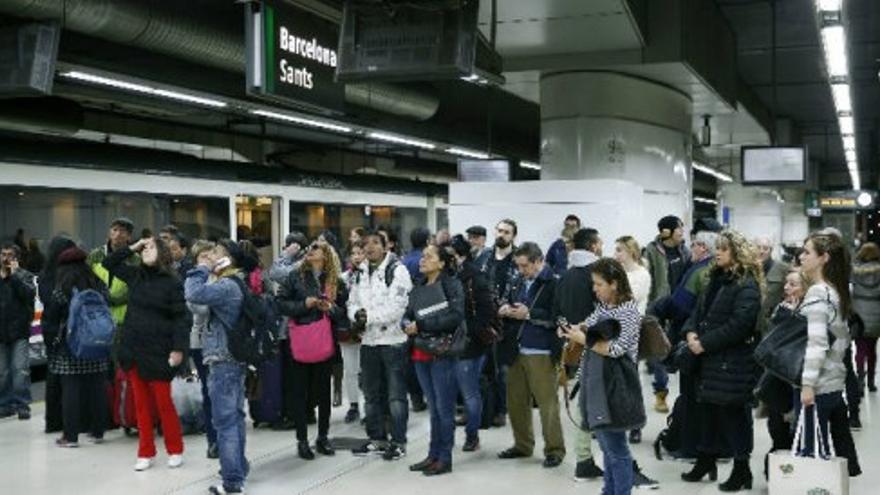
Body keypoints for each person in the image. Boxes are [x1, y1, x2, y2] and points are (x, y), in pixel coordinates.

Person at [681, 229, 762, 492]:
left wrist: (702, 343)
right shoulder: (715, 278)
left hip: (731, 361)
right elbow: (698, 311)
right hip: (709, 359)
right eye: (717, 248)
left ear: (737, 254)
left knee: (732, 415)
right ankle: (706, 460)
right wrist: (691, 332)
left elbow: (740, 325)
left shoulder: (746, 284)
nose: (717, 253)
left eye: (723, 249)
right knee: (708, 412)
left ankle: (742, 470)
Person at [560, 258, 645, 495]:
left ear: (614, 283)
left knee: (616, 449)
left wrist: (582, 339)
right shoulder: (604, 307)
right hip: (596, 383)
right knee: (608, 447)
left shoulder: (629, 311)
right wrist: (572, 330)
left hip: (615, 387)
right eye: (594, 284)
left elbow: (617, 350)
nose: (594, 289)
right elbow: (587, 325)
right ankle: (609, 491)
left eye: (599, 284)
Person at [103, 237, 189, 471]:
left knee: (163, 403)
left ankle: (175, 448)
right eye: (144, 248)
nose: (146, 251)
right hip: (133, 349)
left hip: (159, 350)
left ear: (162, 253)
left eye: (151, 247)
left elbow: (181, 318)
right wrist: (132, 246)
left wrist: (179, 348)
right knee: (140, 405)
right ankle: (145, 451)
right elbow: (108, 262)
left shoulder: (172, 282)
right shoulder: (135, 276)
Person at [185, 240, 249, 495]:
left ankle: (232, 481)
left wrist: (200, 268)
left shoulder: (226, 286)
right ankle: (238, 468)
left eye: (216, 253)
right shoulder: (232, 283)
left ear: (228, 259)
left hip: (223, 360)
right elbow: (197, 307)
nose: (211, 256)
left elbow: (193, 293)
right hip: (232, 358)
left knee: (225, 422)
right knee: (235, 418)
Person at [795, 231, 861, 476]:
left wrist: (807, 384)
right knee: (827, 449)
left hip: (819, 384)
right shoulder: (836, 291)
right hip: (834, 381)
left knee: (811, 455)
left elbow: (817, 343)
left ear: (823, 258)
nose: (801, 257)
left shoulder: (818, 293)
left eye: (807, 252)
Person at [277, 241, 348, 460]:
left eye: (315, 248)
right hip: (301, 340)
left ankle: (323, 437)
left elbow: (344, 312)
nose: (310, 251)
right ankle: (302, 440)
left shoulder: (335, 281)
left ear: (325, 255)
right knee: (300, 392)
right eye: (309, 248)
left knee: (323, 392)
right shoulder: (295, 276)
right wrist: (304, 305)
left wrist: (331, 309)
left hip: (326, 341)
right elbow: (280, 303)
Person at [497, 242, 565, 469]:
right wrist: (505, 308)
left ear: (538, 261)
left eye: (525, 266)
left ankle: (554, 450)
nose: (521, 270)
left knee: (548, 405)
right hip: (515, 349)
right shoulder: (518, 280)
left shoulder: (554, 283)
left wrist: (529, 314)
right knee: (515, 402)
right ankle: (522, 445)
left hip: (542, 351)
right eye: (518, 266)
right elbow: (505, 299)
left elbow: (558, 317)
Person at [347, 229, 414, 460]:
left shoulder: (398, 271)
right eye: (366, 244)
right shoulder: (360, 272)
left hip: (393, 342)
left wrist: (369, 318)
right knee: (371, 395)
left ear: (387, 247)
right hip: (368, 342)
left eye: (376, 243)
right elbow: (352, 301)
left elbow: (398, 308)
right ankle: (376, 438)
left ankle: (398, 442)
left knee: (395, 396)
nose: (370, 247)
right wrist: (356, 315)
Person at [404, 244, 466, 477]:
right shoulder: (419, 284)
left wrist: (422, 325)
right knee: (433, 409)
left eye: (429, 257)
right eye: (423, 256)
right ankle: (433, 455)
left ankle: (445, 458)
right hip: (421, 351)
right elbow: (409, 313)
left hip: (442, 352)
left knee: (444, 408)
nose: (423, 260)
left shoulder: (452, 284)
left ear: (441, 263)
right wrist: (405, 323)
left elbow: (455, 317)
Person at [41, 245, 110, 448]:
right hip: (96, 342)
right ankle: (98, 431)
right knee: (97, 387)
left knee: (70, 389)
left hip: (71, 344)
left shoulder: (62, 287)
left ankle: (70, 437)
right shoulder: (96, 282)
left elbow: (53, 314)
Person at [553, 228, 602, 481]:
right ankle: (589, 460)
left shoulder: (566, 276)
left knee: (587, 403)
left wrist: (568, 331)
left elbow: (557, 312)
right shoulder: (599, 276)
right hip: (597, 349)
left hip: (572, 346)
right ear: (594, 246)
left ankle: (585, 458)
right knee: (599, 406)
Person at [448, 235, 494, 453]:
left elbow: (486, 311)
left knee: (470, 392)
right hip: (454, 342)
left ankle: (472, 435)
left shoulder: (474, 277)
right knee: (464, 392)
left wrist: (468, 331)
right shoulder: (451, 275)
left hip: (470, 344)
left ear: (460, 255)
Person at [759, 268, 805, 479]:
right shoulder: (781, 309)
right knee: (776, 427)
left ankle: (790, 475)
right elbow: (771, 342)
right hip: (777, 379)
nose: (787, 288)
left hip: (798, 380)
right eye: (786, 283)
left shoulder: (809, 311)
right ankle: (778, 473)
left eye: (793, 284)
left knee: (797, 432)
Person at [644, 215, 690, 416]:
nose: (681, 233)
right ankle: (661, 394)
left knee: (678, 352)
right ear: (667, 232)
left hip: (680, 310)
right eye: (678, 229)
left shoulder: (685, 251)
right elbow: (648, 281)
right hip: (659, 310)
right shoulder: (652, 252)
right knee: (658, 353)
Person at [613, 235, 652, 443]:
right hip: (613, 330)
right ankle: (615, 422)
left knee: (630, 380)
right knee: (614, 380)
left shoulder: (641, 274)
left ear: (631, 252)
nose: (616, 254)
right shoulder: (617, 274)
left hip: (630, 331)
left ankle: (636, 424)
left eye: (619, 250)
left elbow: (628, 298)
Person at [39, 236, 78, 434]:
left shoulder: (46, 274)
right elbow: (53, 301)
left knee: (55, 375)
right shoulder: (58, 276)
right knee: (61, 376)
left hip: (52, 327)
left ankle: (56, 420)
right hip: (59, 329)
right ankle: (58, 419)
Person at [185, 240, 219, 459]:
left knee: (220, 393)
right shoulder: (193, 280)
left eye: (211, 254)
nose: (209, 259)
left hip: (222, 342)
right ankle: (213, 440)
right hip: (201, 342)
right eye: (203, 256)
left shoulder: (222, 276)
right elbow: (198, 307)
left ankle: (222, 436)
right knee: (209, 392)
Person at [485, 219, 519, 427]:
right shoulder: (485, 257)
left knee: (504, 370)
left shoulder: (517, 259)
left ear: (513, 236)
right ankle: (488, 410)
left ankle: (502, 410)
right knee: (486, 368)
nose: (502, 235)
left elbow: (521, 285)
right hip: (487, 319)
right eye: (499, 230)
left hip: (508, 321)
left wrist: (508, 307)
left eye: (506, 232)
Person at [0, 244, 36, 420]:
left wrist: (14, 276)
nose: (6, 258)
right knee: (3, 372)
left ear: (17, 258)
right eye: (3, 254)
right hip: (1, 331)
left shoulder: (25, 276)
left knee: (20, 369)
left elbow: (28, 295)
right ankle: (5, 404)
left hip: (19, 331)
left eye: (10, 255)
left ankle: (22, 404)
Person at [88, 217, 138, 326]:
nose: (118, 234)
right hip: (99, 313)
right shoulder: (96, 254)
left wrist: (118, 299)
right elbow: (87, 278)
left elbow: (139, 286)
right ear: (109, 233)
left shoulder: (136, 259)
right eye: (115, 230)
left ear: (129, 236)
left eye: (122, 231)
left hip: (126, 316)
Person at [340, 240, 366, 423]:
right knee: (350, 370)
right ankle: (353, 405)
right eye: (354, 253)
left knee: (367, 371)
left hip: (369, 329)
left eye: (360, 252)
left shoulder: (373, 276)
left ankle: (368, 407)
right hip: (349, 331)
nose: (357, 257)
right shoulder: (343, 278)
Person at [852, 242, 880, 393]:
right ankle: (871, 382)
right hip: (876, 315)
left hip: (858, 315)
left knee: (860, 349)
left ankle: (860, 380)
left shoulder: (854, 271)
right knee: (872, 350)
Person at [755, 237, 790, 335]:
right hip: (750, 322)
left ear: (771, 251)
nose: (761, 251)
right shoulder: (749, 268)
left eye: (765, 248)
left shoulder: (782, 268)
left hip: (771, 324)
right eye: (758, 247)